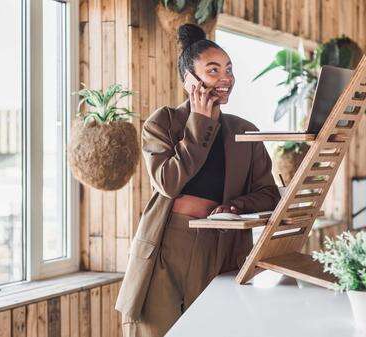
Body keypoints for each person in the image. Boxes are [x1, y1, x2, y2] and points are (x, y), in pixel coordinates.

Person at [115, 23, 281, 337]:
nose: (225, 79)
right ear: (190, 80)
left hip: (221, 245)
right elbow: (169, 182)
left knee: (215, 328)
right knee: (156, 330)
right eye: (213, 70)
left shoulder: (245, 131)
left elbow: (268, 194)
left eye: (228, 70)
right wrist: (199, 122)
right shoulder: (162, 122)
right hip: (167, 246)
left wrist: (233, 206)